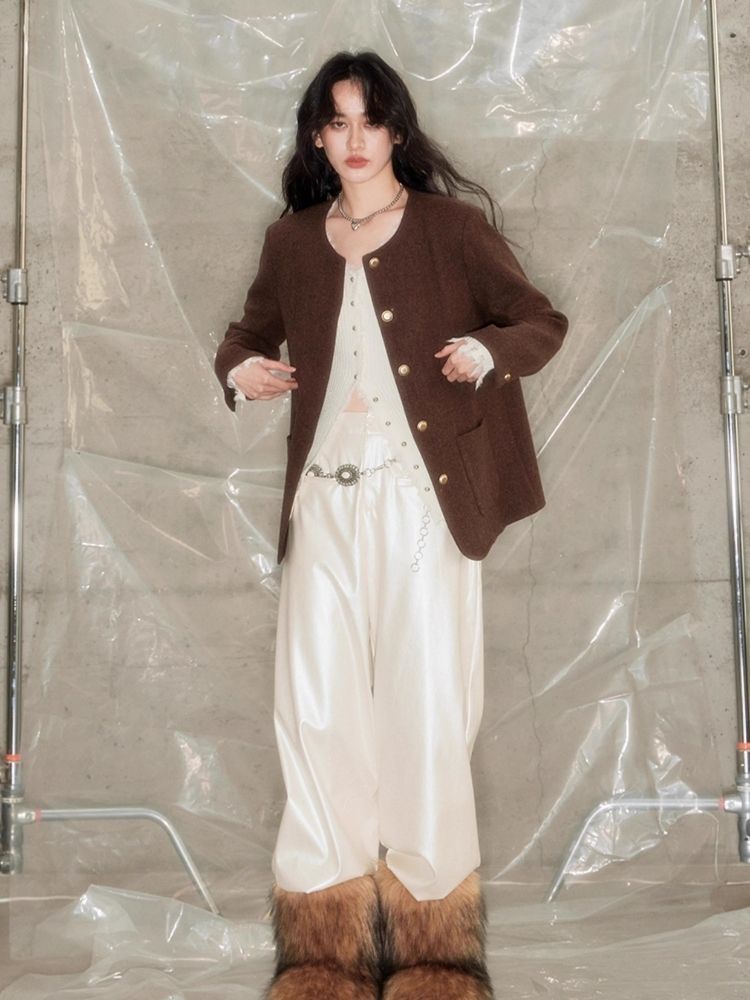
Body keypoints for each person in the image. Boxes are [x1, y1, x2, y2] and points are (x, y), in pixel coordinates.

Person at [215, 50, 568, 1000]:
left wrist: (487, 352)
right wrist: (240, 369)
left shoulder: (453, 229)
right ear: (317, 138)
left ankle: (436, 958)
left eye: (371, 120)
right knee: (315, 715)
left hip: (422, 506)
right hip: (322, 504)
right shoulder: (292, 240)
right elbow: (246, 333)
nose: (356, 139)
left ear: (397, 130)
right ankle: (322, 957)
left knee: (426, 712)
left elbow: (540, 321)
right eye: (337, 122)